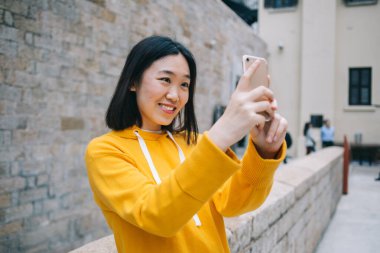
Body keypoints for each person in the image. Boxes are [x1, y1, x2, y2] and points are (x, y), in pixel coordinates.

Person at [85, 35, 288, 253]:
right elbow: (157, 216)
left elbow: (236, 203)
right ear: (133, 81)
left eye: (184, 84)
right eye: (165, 80)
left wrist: (264, 150)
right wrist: (222, 133)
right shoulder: (105, 151)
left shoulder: (196, 143)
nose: (174, 95)